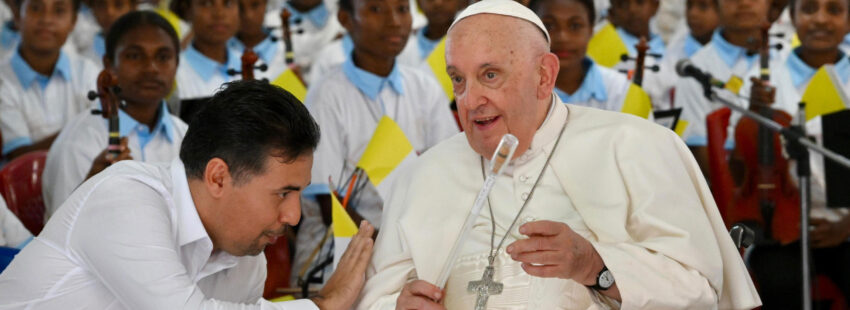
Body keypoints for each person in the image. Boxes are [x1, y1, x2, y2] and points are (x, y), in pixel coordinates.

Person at [358, 1, 761, 309]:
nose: (469, 99)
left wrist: (596, 267)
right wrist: (397, 305)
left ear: (544, 75)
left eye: (490, 75)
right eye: (458, 79)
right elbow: (376, 298)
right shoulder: (424, 174)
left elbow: (701, 290)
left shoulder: (635, 145)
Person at [0, 80, 376, 310]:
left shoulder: (247, 256)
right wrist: (322, 306)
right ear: (217, 178)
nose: (294, 216)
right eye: (283, 193)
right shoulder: (126, 196)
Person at [294, 0, 458, 290]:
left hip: (414, 245)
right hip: (340, 250)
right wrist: (390, 247)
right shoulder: (328, 94)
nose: (394, 21)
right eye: (377, 9)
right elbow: (328, 205)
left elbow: (450, 174)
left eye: (402, 9)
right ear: (345, 18)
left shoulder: (424, 87)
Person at [739, 0, 850, 307]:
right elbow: (738, 163)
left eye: (834, 10)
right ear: (793, 17)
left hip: (846, 226)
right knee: (781, 284)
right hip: (781, 228)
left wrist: (847, 225)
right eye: (809, 8)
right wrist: (752, 112)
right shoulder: (765, 74)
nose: (820, 19)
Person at [42, 11, 188, 219]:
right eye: (134, 56)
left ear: (177, 64)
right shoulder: (79, 143)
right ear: (109, 65)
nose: (151, 68)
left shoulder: (186, 136)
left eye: (163, 57)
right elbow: (59, 234)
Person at [673, 0, 776, 179]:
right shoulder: (695, 70)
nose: (744, 3)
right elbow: (710, 172)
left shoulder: (790, 57)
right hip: (732, 199)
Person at [0, 0, 99, 161]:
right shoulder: (3, 80)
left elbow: (101, 136)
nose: (46, 19)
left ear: (73, 22)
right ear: (18, 17)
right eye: (36, 8)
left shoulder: (88, 72)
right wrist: (82, 129)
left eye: (59, 11)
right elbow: (20, 156)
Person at [530, 0, 634, 112]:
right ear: (530, 29)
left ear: (591, 30)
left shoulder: (621, 90)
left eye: (575, 26)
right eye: (549, 26)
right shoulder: (516, 88)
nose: (563, 37)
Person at [173, 0, 240, 103]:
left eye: (228, 3)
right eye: (206, 3)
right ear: (188, 10)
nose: (219, 14)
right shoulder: (174, 74)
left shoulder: (256, 66)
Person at [656, 0, 719, 109]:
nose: (693, 13)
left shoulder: (732, 54)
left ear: (722, 11)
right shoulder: (676, 49)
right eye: (689, 6)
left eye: (703, 7)